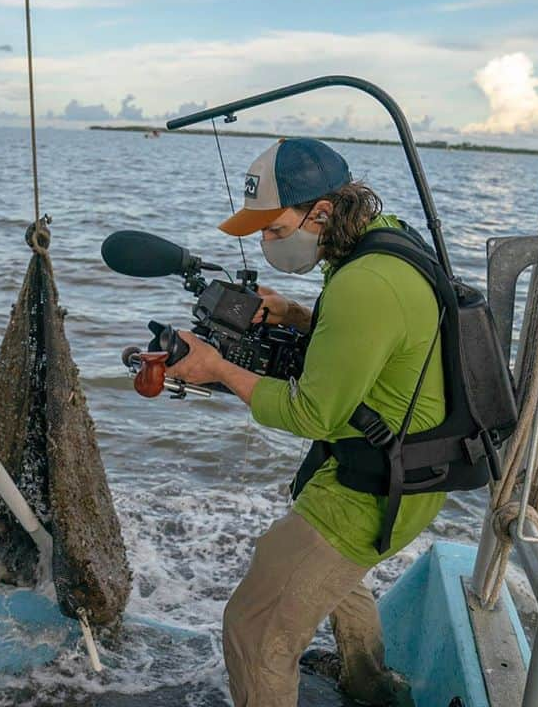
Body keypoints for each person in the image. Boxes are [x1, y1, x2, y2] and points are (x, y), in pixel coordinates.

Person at [166, 138, 444, 706]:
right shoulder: (383, 242)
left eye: (273, 228)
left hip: (373, 487)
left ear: (321, 212)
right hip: (408, 466)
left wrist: (215, 366)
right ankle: (371, 688)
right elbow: (381, 337)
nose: (267, 242)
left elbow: (310, 412)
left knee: (253, 626)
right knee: (339, 583)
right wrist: (299, 314)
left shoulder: (364, 283)